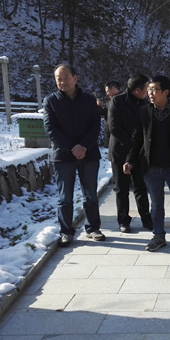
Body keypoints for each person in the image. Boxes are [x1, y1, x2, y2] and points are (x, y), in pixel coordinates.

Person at [124, 75, 170, 254]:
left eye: (154, 90)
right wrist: (130, 160)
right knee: (156, 205)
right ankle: (158, 236)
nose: (150, 93)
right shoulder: (144, 111)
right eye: (149, 90)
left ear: (166, 92)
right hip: (152, 167)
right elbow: (137, 139)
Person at [43, 63, 106, 246]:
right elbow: (51, 129)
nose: (62, 82)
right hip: (63, 156)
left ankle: (93, 228)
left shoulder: (88, 100)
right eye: (59, 79)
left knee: (90, 194)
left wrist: (83, 146)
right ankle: (66, 231)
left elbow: (95, 126)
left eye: (66, 78)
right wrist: (73, 147)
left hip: (89, 154)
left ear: (75, 79)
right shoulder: (51, 101)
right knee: (65, 197)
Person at [107, 74, 153, 233]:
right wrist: (133, 145)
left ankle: (146, 218)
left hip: (139, 153)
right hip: (120, 152)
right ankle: (123, 220)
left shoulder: (145, 103)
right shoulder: (117, 101)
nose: (149, 91)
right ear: (138, 90)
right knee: (122, 188)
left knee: (140, 187)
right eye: (147, 88)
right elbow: (114, 128)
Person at [96, 80, 121, 148]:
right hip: (109, 132)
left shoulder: (120, 99)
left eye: (107, 91)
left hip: (117, 134)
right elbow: (104, 112)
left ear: (113, 88)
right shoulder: (110, 100)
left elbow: (113, 112)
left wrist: (102, 106)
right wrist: (99, 107)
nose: (107, 94)